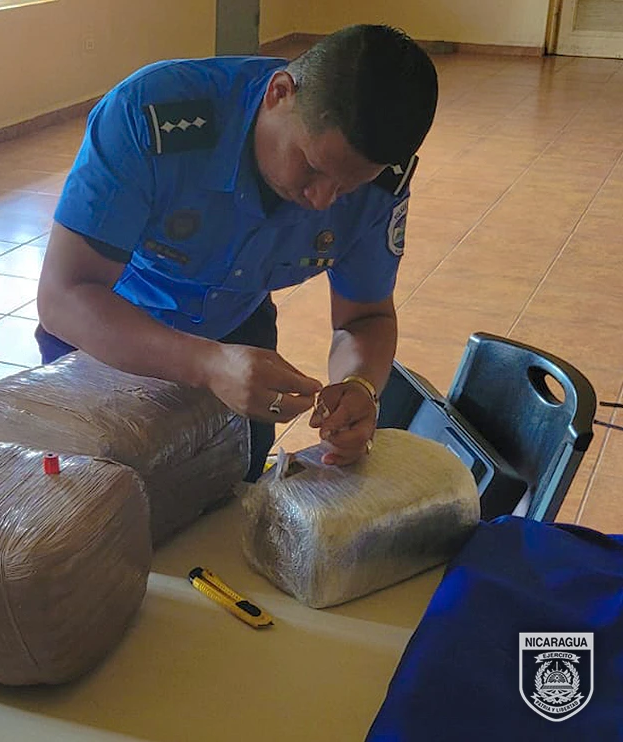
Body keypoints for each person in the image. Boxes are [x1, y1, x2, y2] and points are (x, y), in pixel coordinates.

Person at [34, 24, 439, 481]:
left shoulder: (383, 185)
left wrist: (359, 385)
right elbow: (63, 296)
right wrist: (205, 364)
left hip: (237, 329)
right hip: (106, 333)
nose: (323, 199)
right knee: (96, 502)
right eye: (311, 165)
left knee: (231, 496)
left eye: (349, 185)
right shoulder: (151, 117)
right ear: (279, 93)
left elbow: (365, 318)